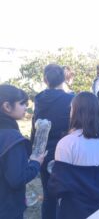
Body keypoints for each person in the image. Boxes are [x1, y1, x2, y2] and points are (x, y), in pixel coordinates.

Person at [48, 92, 99, 219]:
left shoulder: (66, 143)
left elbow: (58, 183)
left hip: (75, 209)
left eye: (71, 108)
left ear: (75, 111)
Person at [31, 64, 74, 219]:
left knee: (49, 192)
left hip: (44, 150)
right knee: (66, 191)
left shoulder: (39, 98)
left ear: (45, 79)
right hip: (65, 149)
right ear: (64, 78)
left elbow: (35, 125)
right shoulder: (70, 98)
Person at [0, 85, 46, 219]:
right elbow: (17, 179)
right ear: (7, 106)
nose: (26, 107)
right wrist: (36, 162)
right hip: (7, 208)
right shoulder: (12, 139)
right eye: (22, 103)